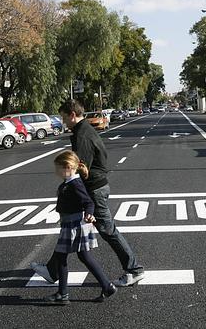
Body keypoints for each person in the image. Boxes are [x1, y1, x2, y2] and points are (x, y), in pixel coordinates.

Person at [31, 99, 145, 287]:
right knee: (70, 231)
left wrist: (72, 191)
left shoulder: (82, 135)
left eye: (64, 117)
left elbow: (80, 168)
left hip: (94, 189)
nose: (63, 121)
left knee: (108, 231)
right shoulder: (82, 131)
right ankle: (52, 271)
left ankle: (134, 269)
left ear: (73, 115)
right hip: (95, 187)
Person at [42, 150, 116, 305]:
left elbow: (89, 202)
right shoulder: (70, 182)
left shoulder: (75, 184)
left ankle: (63, 294)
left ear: (68, 167)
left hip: (74, 225)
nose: (56, 171)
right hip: (73, 223)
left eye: (58, 168)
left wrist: (89, 213)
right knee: (84, 257)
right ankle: (107, 286)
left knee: (61, 258)